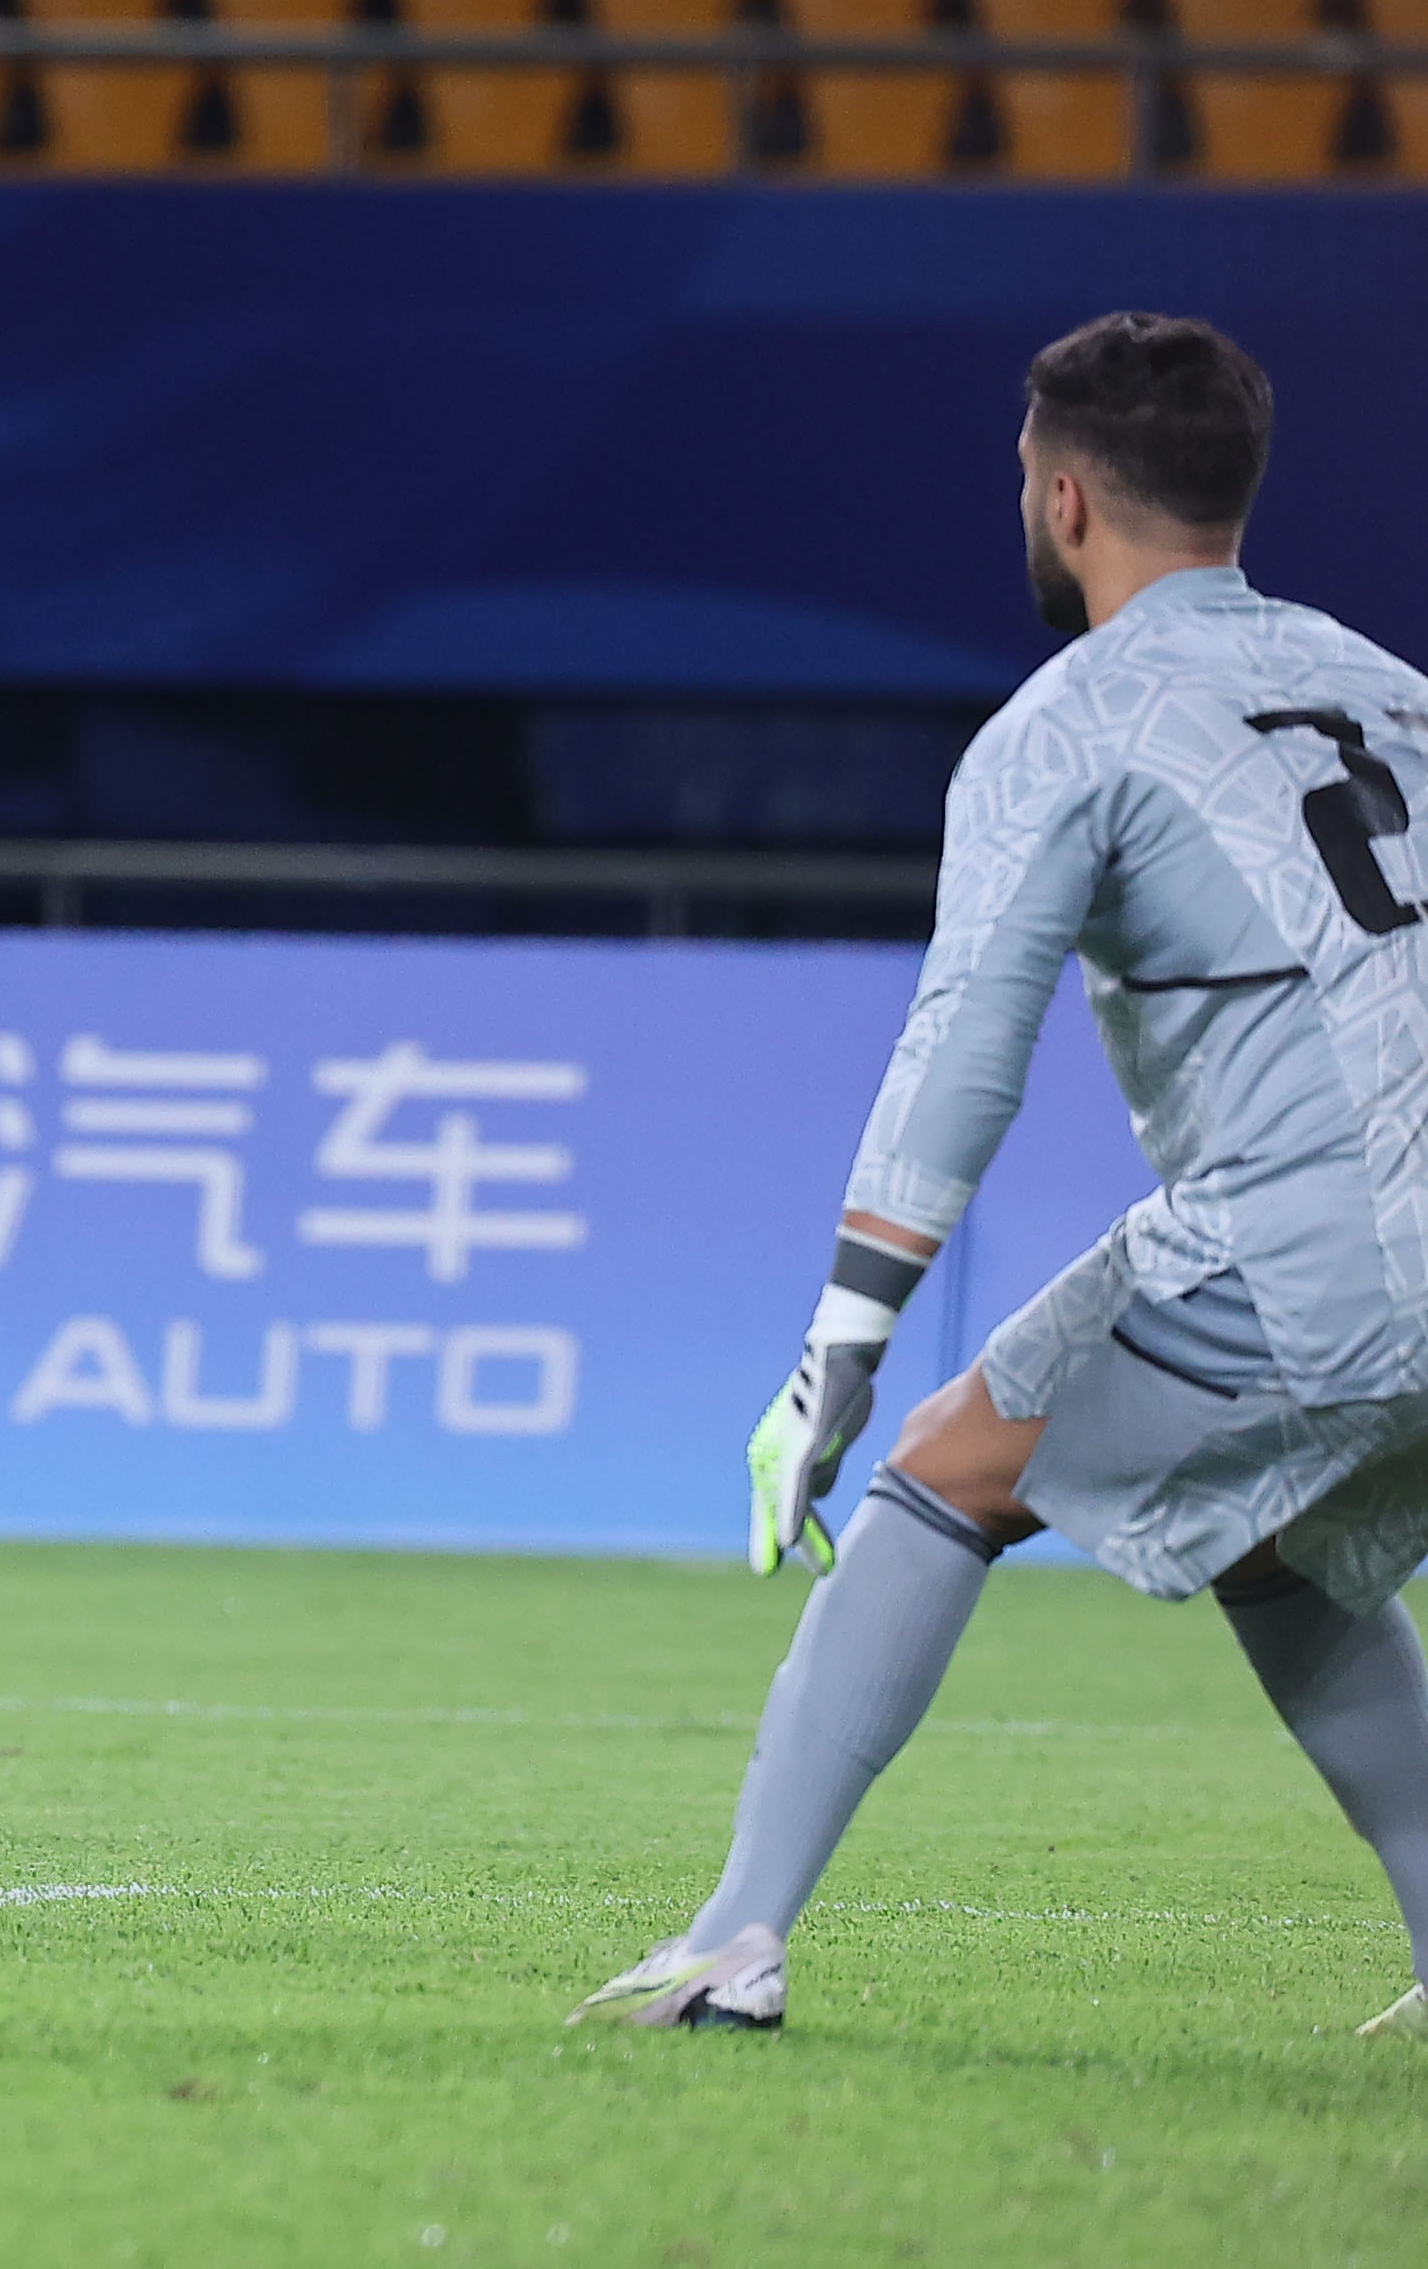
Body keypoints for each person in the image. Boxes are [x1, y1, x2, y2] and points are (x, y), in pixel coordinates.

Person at [578, 314, 1428, 2046]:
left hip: (1323, 1232)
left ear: (1058, 501)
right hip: (1352, 1222)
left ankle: (732, 1942)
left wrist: (842, 1332)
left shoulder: (1071, 727)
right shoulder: (1389, 688)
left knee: (943, 1469)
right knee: (1266, 1534)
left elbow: (966, 1044)